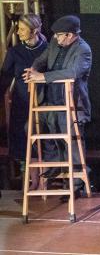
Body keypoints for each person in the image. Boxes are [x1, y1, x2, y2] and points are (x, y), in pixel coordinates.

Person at [22, 15, 92, 187]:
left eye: (59, 35)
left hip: (71, 103)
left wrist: (43, 76)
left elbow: (73, 72)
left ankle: (76, 184)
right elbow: (42, 59)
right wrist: (34, 69)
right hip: (49, 100)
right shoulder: (55, 43)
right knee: (32, 128)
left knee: (72, 140)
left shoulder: (83, 50)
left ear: (70, 35)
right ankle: (55, 164)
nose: (55, 38)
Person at [1, 15, 47, 165]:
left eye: (22, 29)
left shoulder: (48, 50)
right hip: (21, 103)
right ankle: (32, 181)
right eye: (17, 29)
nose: (18, 33)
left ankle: (44, 179)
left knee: (43, 138)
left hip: (43, 101)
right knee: (22, 140)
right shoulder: (15, 52)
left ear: (34, 31)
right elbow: (4, 78)